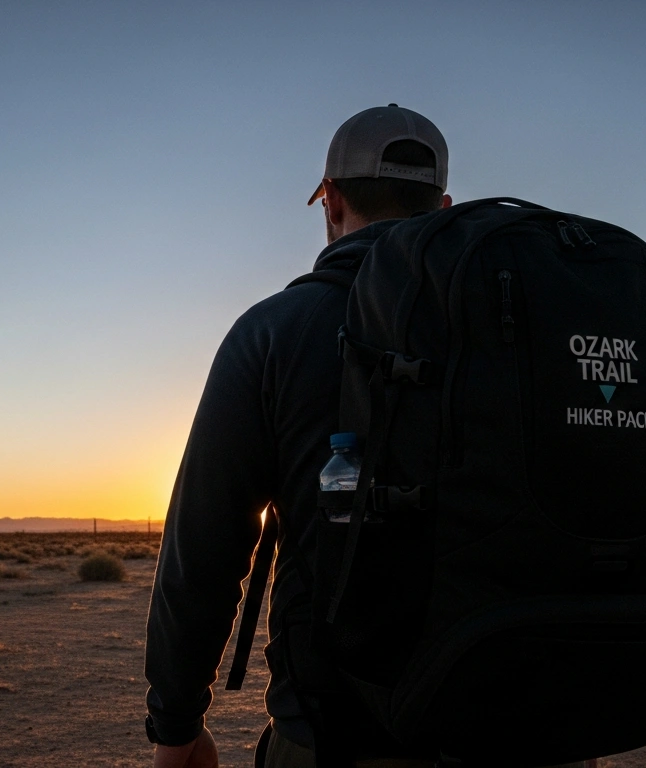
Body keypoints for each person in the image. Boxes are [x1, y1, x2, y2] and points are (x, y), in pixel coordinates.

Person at [144, 105, 453, 768]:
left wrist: (175, 725)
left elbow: (202, 547)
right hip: (526, 725)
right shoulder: (516, 330)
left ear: (331, 202)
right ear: (444, 207)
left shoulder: (276, 330)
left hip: (338, 733)